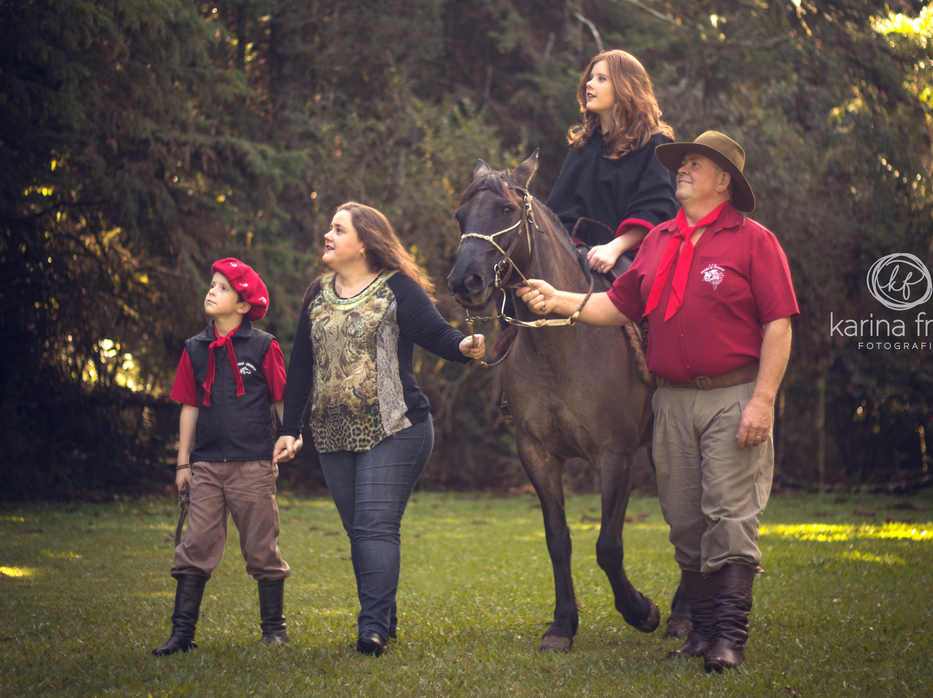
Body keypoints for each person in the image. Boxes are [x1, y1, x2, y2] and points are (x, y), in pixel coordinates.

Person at [516, 131, 797, 672]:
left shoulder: (754, 240)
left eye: (694, 164)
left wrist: (763, 401)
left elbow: (779, 325)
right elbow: (618, 305)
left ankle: (726, 638)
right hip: (670, 401)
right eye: (682, 163)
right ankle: (698, 632)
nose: (682, 169)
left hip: (732, 395)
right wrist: (560, 300)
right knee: (687, 522)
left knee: (729, 518)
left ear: (724, 182)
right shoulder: (661, 239)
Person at [278, 202, 486, 656]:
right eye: (329, 228)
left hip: (397, 427)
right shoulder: (317, 292)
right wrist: (289, 427)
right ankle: (384, 619)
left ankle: (370, 629)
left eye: (338, 229)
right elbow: (300, 366)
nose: (327, 236)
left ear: (365, 242)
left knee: (374, 527)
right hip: (332, 432)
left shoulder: (397, 290)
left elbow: (437, 335)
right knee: (360, 530)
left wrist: (465, 345)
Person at [154, 258, 301, 656]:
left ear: (242, 305)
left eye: (222, 287)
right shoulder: (195, 349)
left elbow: (281, 398)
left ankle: (274, 629)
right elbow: (188, 405)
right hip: (204, 466)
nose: (211, 291)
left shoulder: (264, 346)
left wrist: (291, 435)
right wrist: (183, 462)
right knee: (195, 544)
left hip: (253, 465)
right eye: (212, 284)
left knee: (261, 548)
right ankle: (182, 634)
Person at [545, 49, 679, 277]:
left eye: (601, 79)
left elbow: (658, 211)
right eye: (590, 77)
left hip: (634, 259)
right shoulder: (581, 149)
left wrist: (614, 248)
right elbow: (557, 217)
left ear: (625, 86)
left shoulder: (654, 143)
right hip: (575, 260)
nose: (589, 84)